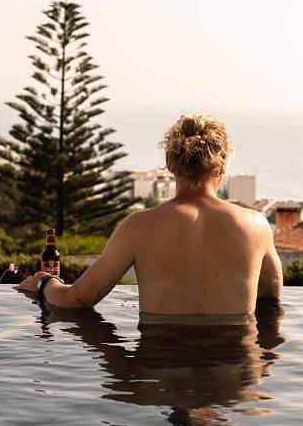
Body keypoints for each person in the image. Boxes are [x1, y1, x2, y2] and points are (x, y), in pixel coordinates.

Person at [16, 113, 283, 316]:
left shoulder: (138, 227)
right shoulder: (256, 225)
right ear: (222, 165)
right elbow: (271, 296)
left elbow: (76, 299)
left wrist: (45, 282)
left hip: (160, 377)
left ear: (169, 162)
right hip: (234, 378)